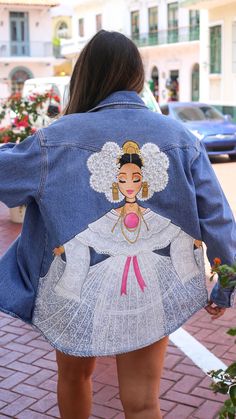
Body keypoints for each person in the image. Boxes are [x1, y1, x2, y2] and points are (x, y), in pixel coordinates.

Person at [0, 30, 235, 419]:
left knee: (75, 379)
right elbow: (218, 216)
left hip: (76, 287)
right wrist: (225, 284)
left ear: (85, 77)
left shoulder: (53, 140)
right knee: (143, 402)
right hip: (152, 287)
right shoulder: (180, 137)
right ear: (136, 77)